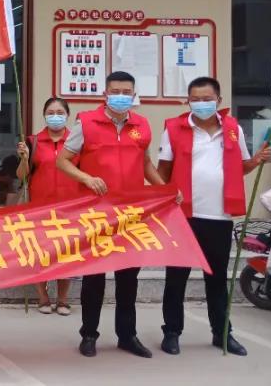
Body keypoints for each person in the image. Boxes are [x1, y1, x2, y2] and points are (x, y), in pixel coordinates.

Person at [157, 76, 271, 356]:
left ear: (219, 100)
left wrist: (256, 161)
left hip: (219, 217)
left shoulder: (233, 129)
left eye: (207, 99)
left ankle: (222, 333)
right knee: (176, 278)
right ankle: (172, 332)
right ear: (187, 101)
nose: (201, 103)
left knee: (217, 279)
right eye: (195, 99)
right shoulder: (173, 128)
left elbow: (239, 167)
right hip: (182, 216)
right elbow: (162, 172)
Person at [56, 71, 167, 358]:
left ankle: (127, 336)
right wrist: (86, 178)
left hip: (131, 214)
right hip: (96, 213)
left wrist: (164, 190)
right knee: (94, 278)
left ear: (134, 95)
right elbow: (62, 161)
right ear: (105, 94)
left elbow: (145, 163)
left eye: (126, 92)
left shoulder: (141, 125)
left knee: (128, 278)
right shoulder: (86, 122)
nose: (121, 96)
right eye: (115, 91)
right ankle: (89, 334)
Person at [16, 97, 77, 316]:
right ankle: (43, 297)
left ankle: (62, 300)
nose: (55, 116)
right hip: (40, 207)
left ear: (67, 115)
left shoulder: (76, 141)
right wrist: (24, 159)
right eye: (51, 113)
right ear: (44, 115)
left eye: (60, 113)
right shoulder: (33, 141)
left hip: (70, 207)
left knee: (67, 254)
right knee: (41, 253)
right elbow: (21, 176)